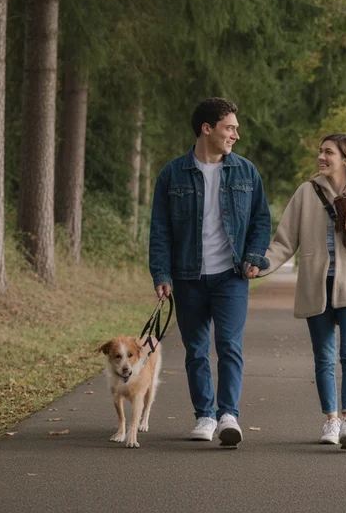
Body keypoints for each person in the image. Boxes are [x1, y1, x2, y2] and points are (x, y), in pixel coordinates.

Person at [148, 97, 271, 447]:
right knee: (196, 349)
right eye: (229, 127)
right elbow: (160, 229)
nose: (236, 134)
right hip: (187, 277)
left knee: (229, 344)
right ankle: (204, 415)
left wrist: (253, 256)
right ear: (207, 128)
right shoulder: (173, 174)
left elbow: (261, 220)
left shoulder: (246, 172)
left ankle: (228, 414)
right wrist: (161, 274)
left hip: (231, 275)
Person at [256, 133, 346, 450]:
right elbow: (284, 242)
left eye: (328, 152)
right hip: (316, 284)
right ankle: (330, 420)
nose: (321, 156)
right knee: (324, 357)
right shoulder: (306, 193)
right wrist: (259, 267)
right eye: (320, 151)